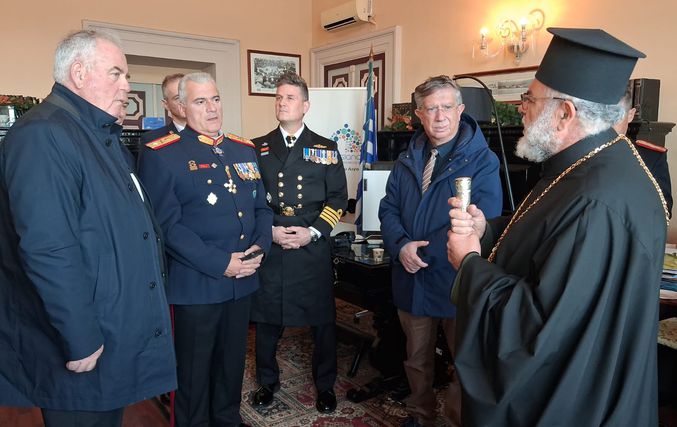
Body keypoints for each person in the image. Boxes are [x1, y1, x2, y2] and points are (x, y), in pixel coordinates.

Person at [447, 28, 668, 426]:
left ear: (565, 113)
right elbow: (546, 234)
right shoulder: (596, 164)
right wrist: (487, 230)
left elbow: (538, 328)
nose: (521, 110)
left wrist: (470, 266)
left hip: (573, 401)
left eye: (529, 99)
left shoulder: (594, 200)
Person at [0, 29, 176, 427]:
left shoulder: (96, 135)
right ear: (79, 73)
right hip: (79, 341)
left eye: (126, 76)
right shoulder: (44, 134)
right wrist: (80, 337)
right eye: (116, 73)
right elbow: (49, 248)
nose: (127, 86)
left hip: (109, 328)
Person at [137, 72, 273, 427]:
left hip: (243, 280)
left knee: (231, 365)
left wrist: (259, 249)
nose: (212, 108)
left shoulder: (243, 149)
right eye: (200, 101)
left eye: (215, 99)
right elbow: (166, 226)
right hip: (197, 285)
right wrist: (221, 263)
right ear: (182, 107)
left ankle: (227, 419)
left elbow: (262, 208)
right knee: (194, 374)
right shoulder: (162, 154)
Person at [378, 75, 503, 427]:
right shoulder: (407, 158)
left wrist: (431, 250)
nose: (440, 116)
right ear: (419, 114)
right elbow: (388, 209)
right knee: (416, 358)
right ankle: (420, 415)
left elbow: (486, 220)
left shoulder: (483, 161)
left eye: (447, 107)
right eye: (431, 108)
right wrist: (401, 246)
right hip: (412, 275)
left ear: (460, 110)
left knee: (464, 362)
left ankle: (457, 420)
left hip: (455, 278)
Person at [250, 72, 347, 414]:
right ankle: (267, 382)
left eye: (290, 97)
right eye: (278, 97)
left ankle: (325, 385)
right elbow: (250, 200)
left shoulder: (325, 148)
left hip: (311, 245)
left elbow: (338, 199)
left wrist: (313, 232)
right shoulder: (256, 147)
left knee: (322, 322)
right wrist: (269, 232)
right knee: (266, 319)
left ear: (305, 106)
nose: (282, 102)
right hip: (274, 243)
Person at [614, 82, 672, 214]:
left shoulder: (651, 157)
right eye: (605, 118)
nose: (609, 125)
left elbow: (664, 209)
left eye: (616, 117)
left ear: (630, 115)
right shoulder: (580, 151)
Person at [140, 73, 187, 144]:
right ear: (166, 105)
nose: (185, 101)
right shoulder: (152, 139)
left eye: (189, 96)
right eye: (178, 98)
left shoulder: (205, 134)